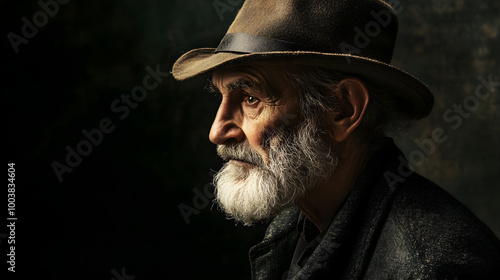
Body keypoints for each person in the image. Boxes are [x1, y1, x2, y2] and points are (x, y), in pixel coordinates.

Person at [172, 0, 500, 278]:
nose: (217, 131)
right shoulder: (297, 220)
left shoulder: (437, 266)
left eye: (251, 98)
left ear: (343, 109)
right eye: (222, 95)